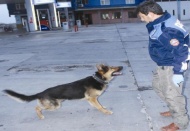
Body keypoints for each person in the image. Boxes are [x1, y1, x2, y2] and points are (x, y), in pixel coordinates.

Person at [136, 1, 189, 131]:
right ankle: (174, 109)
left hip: (171, 65)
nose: (142, 20)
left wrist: (178, 73)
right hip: (163, 63)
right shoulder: (163, 21)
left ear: (150, 14)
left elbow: (182, 52)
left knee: (172, 95)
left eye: (142, 17)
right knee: (157, 86)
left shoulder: (166, 29)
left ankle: (180, 122)